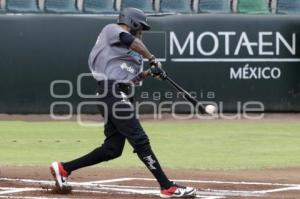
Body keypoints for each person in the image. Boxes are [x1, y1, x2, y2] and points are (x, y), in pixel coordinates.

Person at [50, 7, 197, 198]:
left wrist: (150, 72)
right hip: (111, 90)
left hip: (120, 92)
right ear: (132, 22)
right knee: (139, 138)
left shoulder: (133, 52)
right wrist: (152, 58)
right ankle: (166, 186)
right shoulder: (112, 30)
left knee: (112, 149)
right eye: (140, 27)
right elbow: (131, 40)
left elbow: (134, 78)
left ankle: (63, 168)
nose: (142, 31)